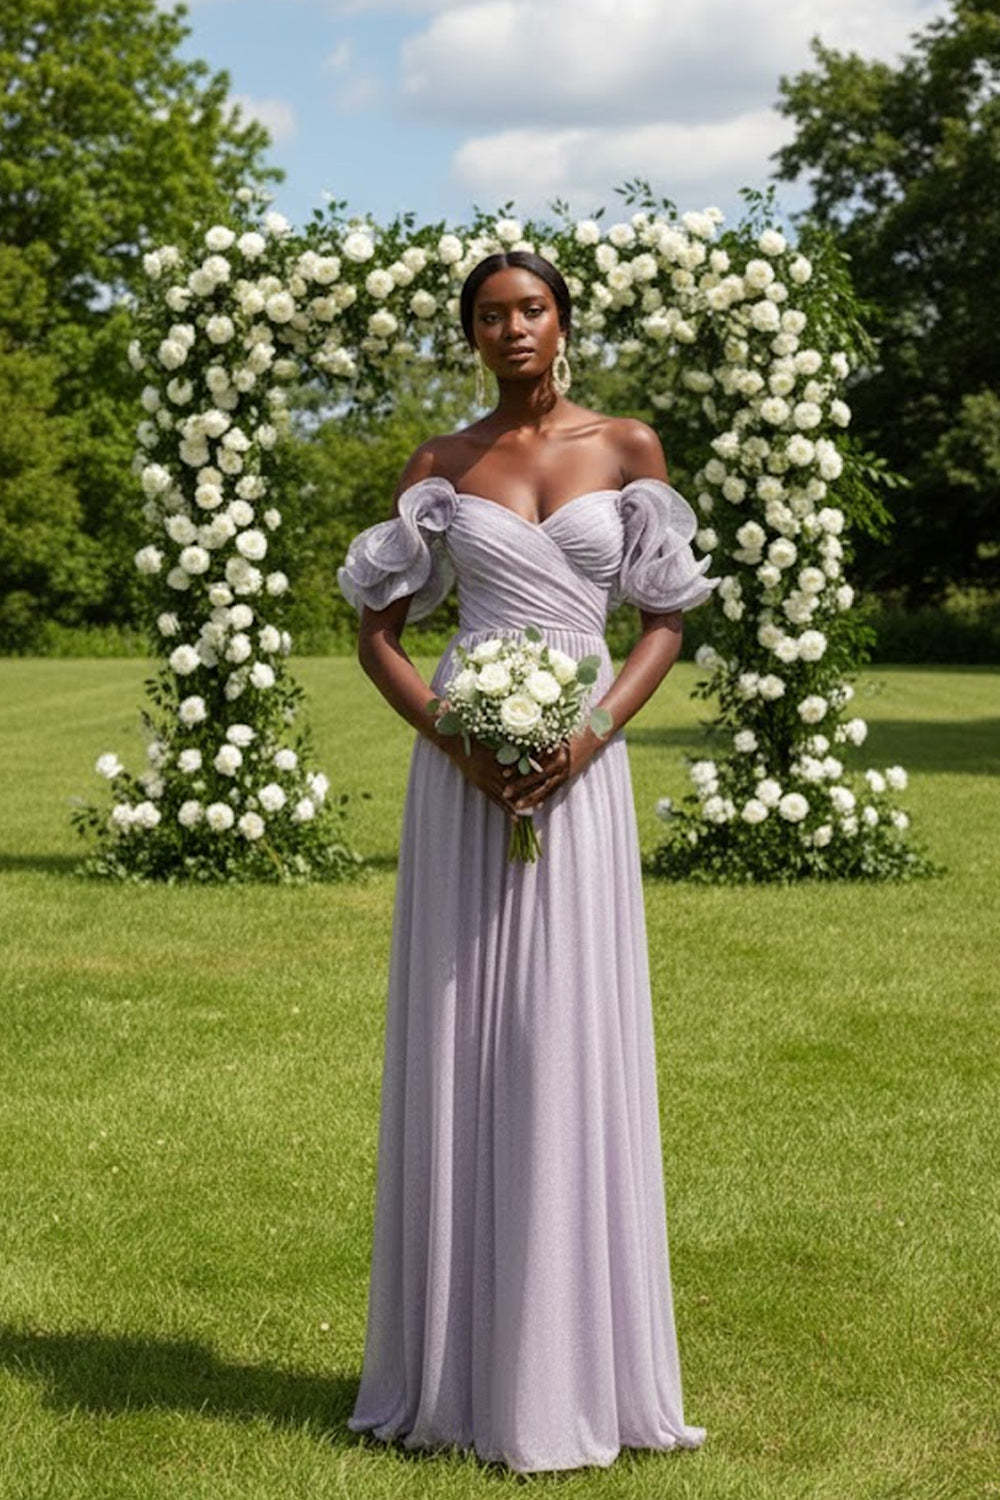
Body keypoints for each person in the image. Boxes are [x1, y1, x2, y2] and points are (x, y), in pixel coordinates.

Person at [336, 249, 720, 1474]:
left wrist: (593, 731)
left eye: (531, 308)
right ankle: (451, 1379)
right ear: (470, 335)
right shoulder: (442, 470)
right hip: (464, 776)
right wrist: (454, 736)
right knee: (464, 1036)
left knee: (565, 1033)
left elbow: (660, 622)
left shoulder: (629, 449)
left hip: (584, 769)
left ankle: (575, 1373)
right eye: (490, 314)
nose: (512, 328)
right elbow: (378, 634)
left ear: (563, 320)